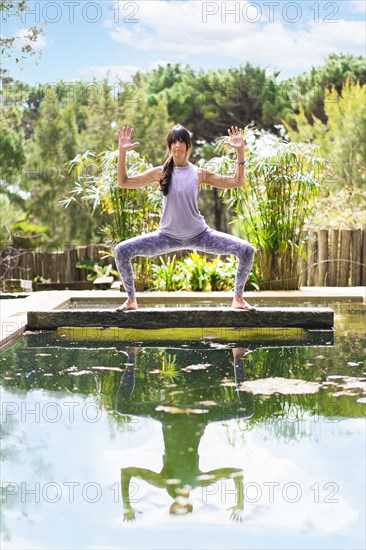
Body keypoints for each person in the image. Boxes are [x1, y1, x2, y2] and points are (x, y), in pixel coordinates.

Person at [114, 124, 256, 312]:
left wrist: (240, 153)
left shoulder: (199, 174)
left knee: (246, 250)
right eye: (173, 142)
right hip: (166, 237)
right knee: (121, 251)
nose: (177, 145)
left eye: (181, 141)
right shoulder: (159, 173)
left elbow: (237, 182)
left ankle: (238, 298)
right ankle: (131, 300)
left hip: (200, 235)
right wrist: (122, 152)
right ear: (169, 146)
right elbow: (123, 182)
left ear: (189, 146)